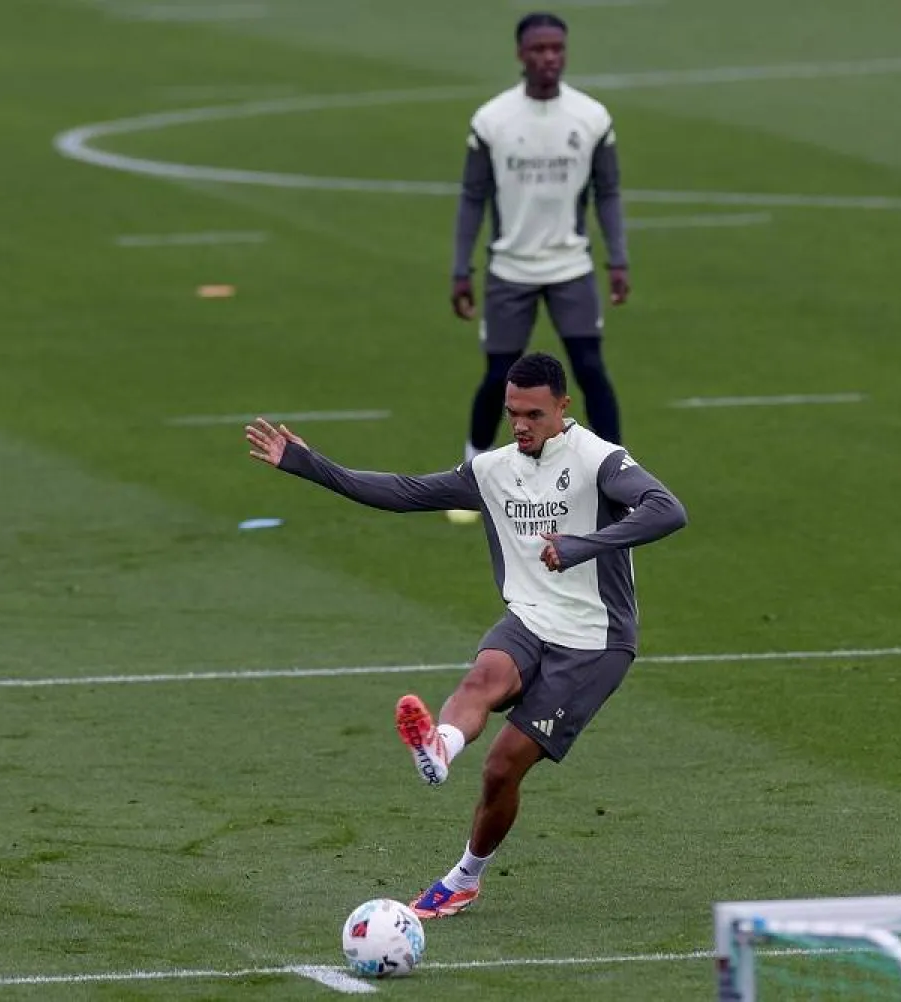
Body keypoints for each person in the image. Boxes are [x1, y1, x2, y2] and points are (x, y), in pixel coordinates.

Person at [244, 352, 686, 919]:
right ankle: (439, 746)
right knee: (484, 677)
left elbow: (668, 510)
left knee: (502, 766)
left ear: (562, 408)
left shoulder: (600, 459)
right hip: (529, 617)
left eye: (533, 414)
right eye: (512, 413)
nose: (521, 425)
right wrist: (310, 465)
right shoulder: (493, 469)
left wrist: (581, 545)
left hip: (595, 640)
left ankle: (463, 878)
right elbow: (403, 491)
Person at [447, 11, 631, 524]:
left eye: (556, 48)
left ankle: (618, 479)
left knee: (591, 370)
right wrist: (461, 270)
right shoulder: (493, 120)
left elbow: (608, 193)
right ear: (520, 54)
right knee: (496, 376)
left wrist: (618, 258)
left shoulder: (591, 118)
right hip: (510, 267)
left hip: (571, 266)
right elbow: (472, 196)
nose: (548, 57)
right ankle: (472, 476)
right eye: (538, 49)